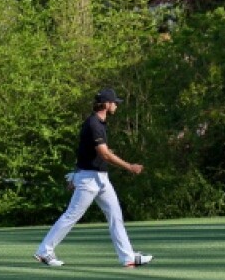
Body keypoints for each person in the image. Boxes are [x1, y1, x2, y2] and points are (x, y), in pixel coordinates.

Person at [35, 87, 153, 268]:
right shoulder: (94, 124)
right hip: (90, 180)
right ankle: (45, 250)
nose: (116, 105)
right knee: (71, 216)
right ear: (106, 104)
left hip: (100, 179)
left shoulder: (99, 123)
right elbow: (104, 155)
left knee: (115, 215)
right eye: (114, 102)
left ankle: (127, 257)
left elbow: (86, 152)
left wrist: (75, 174)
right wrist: (130, 167)